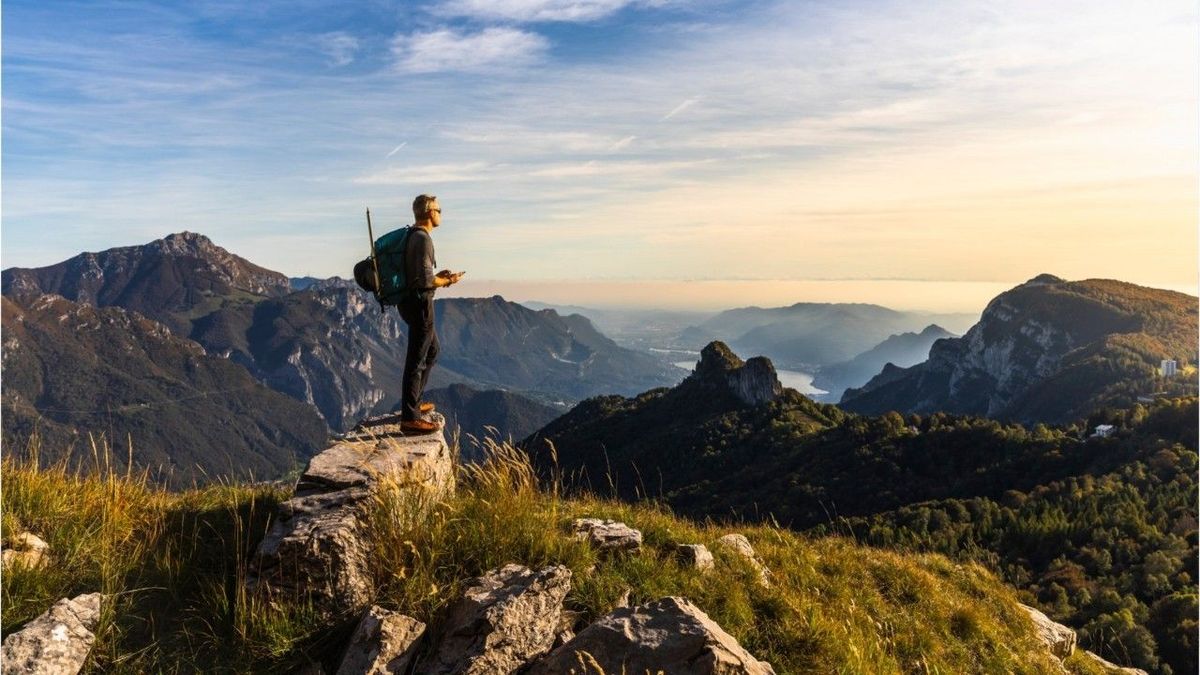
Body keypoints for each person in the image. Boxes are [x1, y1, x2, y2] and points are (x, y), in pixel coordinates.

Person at [397, 194, 464, 433]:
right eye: (439, 209)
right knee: (416, 357)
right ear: (429, 212)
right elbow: (424, 279)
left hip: (408, 302)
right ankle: (409, 417)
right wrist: (446, 281)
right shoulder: (423, 239)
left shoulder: (410, 236)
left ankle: (414, 404)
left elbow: (417, 274)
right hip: (420, 305)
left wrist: (441, 277)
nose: (441, 213)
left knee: (432, 351)